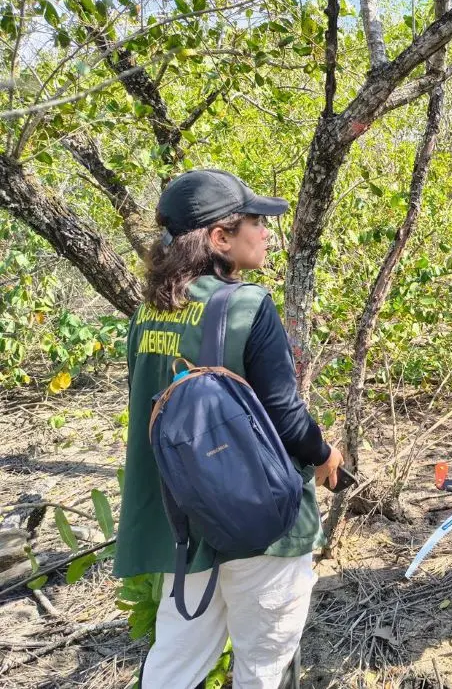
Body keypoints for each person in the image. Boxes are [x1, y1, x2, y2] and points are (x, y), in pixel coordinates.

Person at [115, 170, 344, 689]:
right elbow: (286, 415)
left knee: (175, 662)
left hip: (183, 519)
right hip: (257, 520)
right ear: (220, 237)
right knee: (263, 666)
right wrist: (325, 454)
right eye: (256, 223)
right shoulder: (247, 306)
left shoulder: (147, 313)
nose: (266, 233)